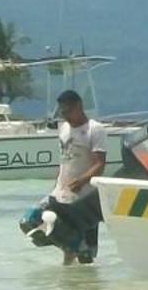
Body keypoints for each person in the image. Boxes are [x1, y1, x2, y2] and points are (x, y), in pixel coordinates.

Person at [38, 89, 107, 264]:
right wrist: (55, 187)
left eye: (68, 111)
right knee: (65, 242)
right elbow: (63, 162)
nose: (65, 115)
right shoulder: (63, 128)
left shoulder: (95, 129)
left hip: (85, 198)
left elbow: (99, 164)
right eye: (62, 111)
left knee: (86, 254)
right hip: (61, 194)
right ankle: (67, 282)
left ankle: (87, 288)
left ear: (79, 106)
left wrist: (82, 181)